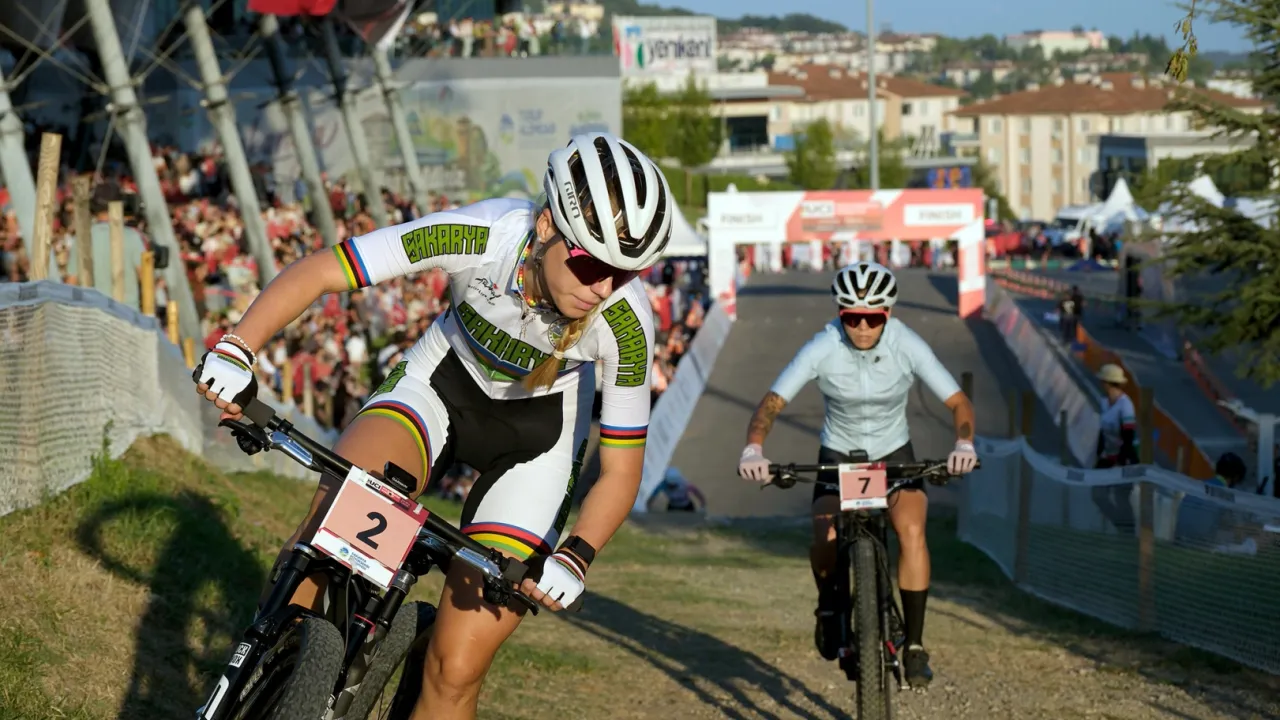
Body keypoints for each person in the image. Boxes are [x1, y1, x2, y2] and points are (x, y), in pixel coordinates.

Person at [192, 132, 671, 720]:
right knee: (324, 553)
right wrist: (238, 347)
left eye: (624, 274)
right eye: (592, 263)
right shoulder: (482, 233)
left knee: (455, 670)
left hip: (537, 445)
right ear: (547, 225)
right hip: (436, 390)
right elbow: (327, 270)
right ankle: (268, 672)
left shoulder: (626, 323)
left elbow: (620, 468)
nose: (603, 288)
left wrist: (576, 555)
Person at [736, 261, 979, 689]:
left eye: (873, 319)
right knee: (825, 535)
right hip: (838, 456)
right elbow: (772, 403)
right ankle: (828, 605)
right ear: (840, 314)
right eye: (852, 318)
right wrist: (754, 448)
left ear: (888, 314)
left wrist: (964, 444)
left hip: (894, 454)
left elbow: (958, 402)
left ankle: (915, 645)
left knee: (912, 531)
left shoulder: (907, 343)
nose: (862, 328)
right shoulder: (823, 345)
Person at [1090, 363, 1140, 534]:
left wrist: (1121, 461)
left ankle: (1128, 533)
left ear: (1107, 383)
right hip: (1108, 456)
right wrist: (1099, 455)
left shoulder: (1126, 405)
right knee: (1097, 494)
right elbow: (1102, 431)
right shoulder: (1104, 402)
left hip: (1125, 457)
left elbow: (1128, 436)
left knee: (1121, 497)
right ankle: (1119, 525)